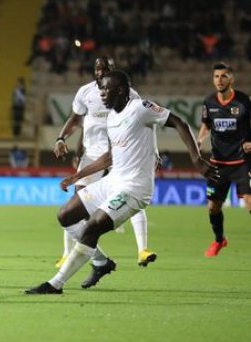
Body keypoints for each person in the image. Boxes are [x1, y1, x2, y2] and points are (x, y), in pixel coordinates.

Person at [26, 70, 218, 294]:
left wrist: (196, 159)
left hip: (134, 188)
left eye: (106, 89)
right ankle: (101, 262)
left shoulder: (140, 108)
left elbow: (180, 122)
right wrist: (77, 176)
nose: (102, 93)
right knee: (65, 215)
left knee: (93, 226)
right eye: (101, 88)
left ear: (120, 90)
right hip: (113, 180)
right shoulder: (112, 118)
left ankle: (55, 284)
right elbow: (109, 157)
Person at [54, 56, 157, 268]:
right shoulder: (85, 93)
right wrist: (63, 139)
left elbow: (146, 124)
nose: (101, 71)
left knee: (129, 194)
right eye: (98, 68)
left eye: (106, 68)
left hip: (120, 154)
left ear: (113, 70)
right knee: (76, 204)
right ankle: (70, 253)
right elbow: (78, 122)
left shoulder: (129, 94)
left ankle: (142, 249)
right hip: (93, 154)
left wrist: (154, 151)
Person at [196, 62, 251, 257]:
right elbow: (206, 124)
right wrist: (200, 139)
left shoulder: (244, 102)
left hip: (241, 161)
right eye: (216, 77)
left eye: (223, 76)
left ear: (231, 79)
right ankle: (219, 241)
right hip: (218, 163)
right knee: (213, 207)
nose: (219, 80)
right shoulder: (209, 102)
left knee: (249, 203)